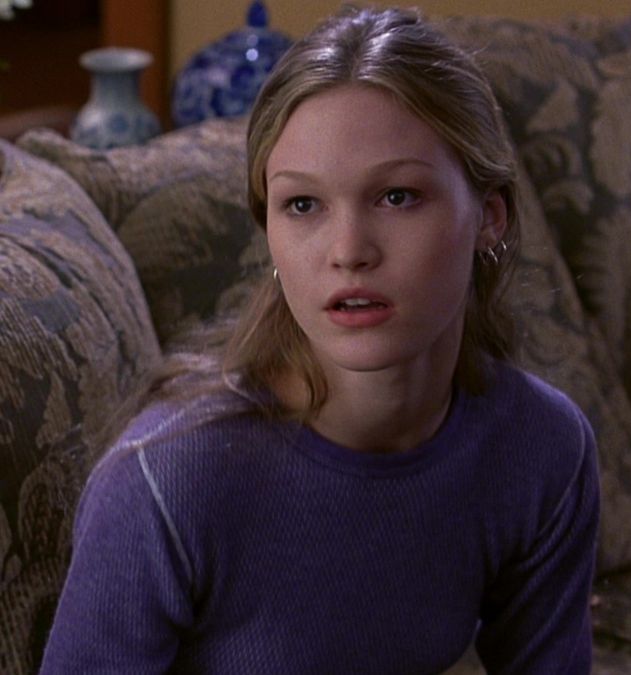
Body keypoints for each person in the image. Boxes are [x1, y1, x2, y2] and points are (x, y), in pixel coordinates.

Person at [40, 6, 599, 674]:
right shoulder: (167, 481)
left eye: (396, 196)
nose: (347, 251)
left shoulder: (540, 447)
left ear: (489, 217)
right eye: (302, 204)